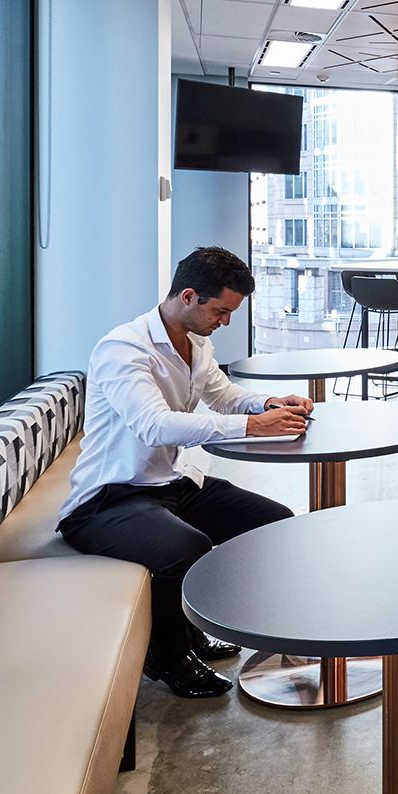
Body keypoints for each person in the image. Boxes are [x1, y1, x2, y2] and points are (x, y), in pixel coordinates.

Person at [59, 246, 312, 697]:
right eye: (221, 311)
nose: (225, 321)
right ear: (189, 296)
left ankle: (198, 628)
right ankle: (168, 656)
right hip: (108, 500)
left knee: (272, 521)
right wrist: (254, 427)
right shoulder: (124, 349)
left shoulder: (196, 341)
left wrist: (268, 403)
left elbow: (223, 395)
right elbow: (155, 426)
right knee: (186, 547)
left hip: (171, 484)